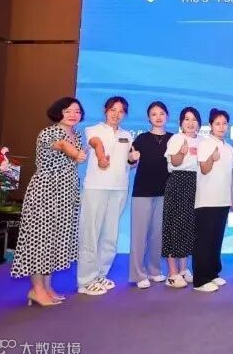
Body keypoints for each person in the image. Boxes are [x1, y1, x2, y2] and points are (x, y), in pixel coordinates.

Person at [11, 97, 87, 306]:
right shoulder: (49, 132)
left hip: (66, 193)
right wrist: (74, 153)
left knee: (55, 240)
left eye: (77, 111)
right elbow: (63, 146)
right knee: (40, 239)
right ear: (58, 112)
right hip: (45, 192)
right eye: (68, 111)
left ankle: (47, 287)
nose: (73, 115)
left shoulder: (78, 135)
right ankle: (36, 290)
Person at [77, 96, 139, 296]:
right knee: (90, 233)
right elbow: (96, 144)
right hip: (96, 187)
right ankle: (86, 280)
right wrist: (101, 157)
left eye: (121, 111)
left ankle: (100, 274)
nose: (116, 114)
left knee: (110, 235)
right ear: (105, 110)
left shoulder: (127, 135)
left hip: (119, 188)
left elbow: (129, 162)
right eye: (113, 109)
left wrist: (133, 159)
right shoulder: (93, 129)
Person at [129, 101, 172, 289]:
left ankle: (154, 270)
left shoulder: (173, 139)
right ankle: (138, 274)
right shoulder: (141, 138)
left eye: (161, 113)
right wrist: (132, 159)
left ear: (167, 116)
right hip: (142, 192)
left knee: (157, 235)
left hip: (165, 192)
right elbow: (131, 161)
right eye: (154, 114)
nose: (158, 117)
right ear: (148, 118)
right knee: (139, 235)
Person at [192, 109, 233, 293]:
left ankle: (212, 273)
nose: (221, 127)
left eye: (224, 123)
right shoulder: (205, 143)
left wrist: (232, 197)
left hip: (223, 200)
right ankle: (200, 280)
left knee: (216, 239)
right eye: (217, 123)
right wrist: (212, 158)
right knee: (204, 241)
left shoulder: (229, 148)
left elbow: (230, 175)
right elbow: (204, 169)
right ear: (211, 125)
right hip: (206, 200)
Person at [162, 107, 201, 288]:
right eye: (186, 119)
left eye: (194, 119)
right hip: (178, 181)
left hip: (196, 183)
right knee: (173, 225)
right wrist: (181, 152)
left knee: (188, 227)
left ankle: (184, 269)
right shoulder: (177, 139)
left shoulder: (202, 141)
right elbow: (175, 163)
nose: (190, 123)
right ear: (181, 122)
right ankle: (172, 273)